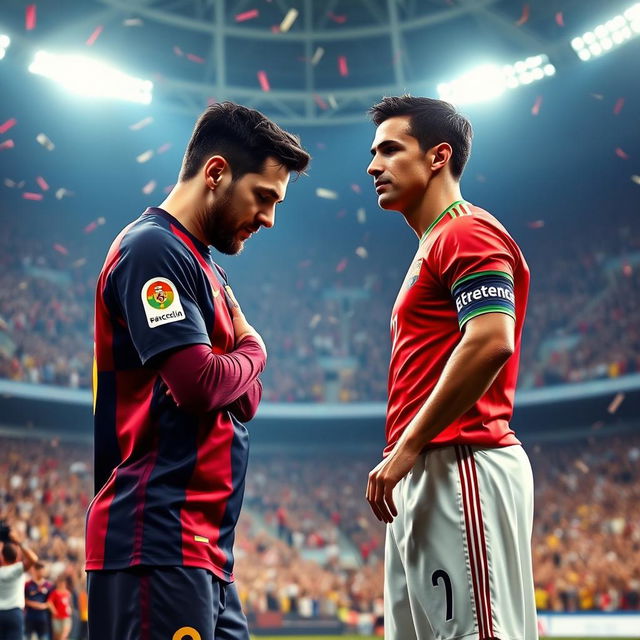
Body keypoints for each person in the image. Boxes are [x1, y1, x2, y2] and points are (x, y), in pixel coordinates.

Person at [86, 101, 310, 640]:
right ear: (216, 173)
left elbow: (246, 401)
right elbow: (200, 385)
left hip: (202, 550)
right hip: (154, 540)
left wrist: (237, 367)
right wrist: (257, 348)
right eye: (263, 197)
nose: (268, 219)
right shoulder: (152, 250)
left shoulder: (206, 265)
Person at [365, 95, 536, 640]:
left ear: (438, 156)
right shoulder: (433, 242)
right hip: (427, 466)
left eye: (391, 150)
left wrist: (409, 447)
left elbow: (490, 341)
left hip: (461, 459)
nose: (374, 165)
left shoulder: (467, 231)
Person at [0, 527, 39, 640]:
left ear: (2, 557)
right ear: (16, 557)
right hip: (14, 613)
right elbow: (33, 558)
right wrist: (19, 542)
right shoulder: (17, 569)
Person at [24, 561, 54, 640]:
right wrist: (39, 605)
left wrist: (45, 606)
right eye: (40, 570)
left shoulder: (49, 585)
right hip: (30, 617)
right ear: (35, 570)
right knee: (27, 637)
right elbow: (24, 600)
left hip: (43, 618)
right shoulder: (27, 584)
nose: (42, 572)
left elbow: (50, 601)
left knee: (43, 637)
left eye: (43, 570)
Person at [48, 575, 72, 640]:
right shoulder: (55, 593)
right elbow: (49, 602)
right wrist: (54, 610)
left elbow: (69, 603)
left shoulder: (68, 593)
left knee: (64, 634)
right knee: (57, 635)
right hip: (57, 617)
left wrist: (70, 609)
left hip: (66, 616)